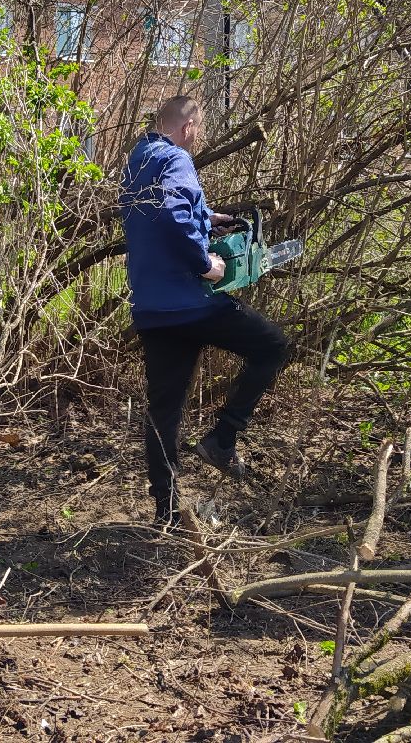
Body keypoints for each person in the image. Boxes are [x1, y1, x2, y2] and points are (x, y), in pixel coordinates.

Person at [119, 96, 290, 527]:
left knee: (165, 412)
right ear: (189, 127)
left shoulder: (138, 160)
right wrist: (206, 263)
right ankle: (223, 437)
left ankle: (168, 512)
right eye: (199, 130)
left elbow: (163, 212)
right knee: (273, 345)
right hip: (192, 303)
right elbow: (174, 215)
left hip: (153, 307)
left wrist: (208, 216)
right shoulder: (176, 157)